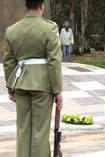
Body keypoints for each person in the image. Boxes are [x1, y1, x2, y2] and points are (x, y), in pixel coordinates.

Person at [2, 0, 63, 157]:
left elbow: (8, 62)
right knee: (40, 132)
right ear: (42, 6)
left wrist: (11, 88)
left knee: (23, 130)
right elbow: (54, 61)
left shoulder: (12, 30)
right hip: (43, 85)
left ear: (27, 6)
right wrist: (57, 91)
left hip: (21, 84)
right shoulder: (49, 28)